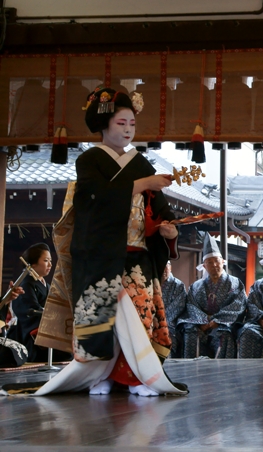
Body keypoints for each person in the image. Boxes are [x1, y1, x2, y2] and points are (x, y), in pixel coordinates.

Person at [3, 88, 187, 397]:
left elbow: (160, 210)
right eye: (121, 123)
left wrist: (169, 231)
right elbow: (92, 200)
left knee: (137, 320)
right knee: (104, 323)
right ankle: (97, 375)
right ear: (104, 125)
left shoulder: (141, 164)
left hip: (136, 257)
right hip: (100, 255)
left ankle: (135, 377)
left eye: (132, 124)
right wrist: (141, 184)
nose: (128, 129)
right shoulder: (90, 160)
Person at [179, 236, 246, 359]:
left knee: (225, 335)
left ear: (223, 262)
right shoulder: (196, 286)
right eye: (209, 262)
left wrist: (216, 321)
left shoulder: (235, 283)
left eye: (216, 261)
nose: (214, 264)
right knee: (190, 331)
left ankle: (220, 372)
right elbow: (191, 305)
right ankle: (191, 369)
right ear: (204, 266)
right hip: (201, 323)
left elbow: (238, 304)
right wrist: (203, 321)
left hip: (223, 324)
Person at [8, 243, 69, 363]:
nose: (50, 264)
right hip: (32, 336)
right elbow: (29, 311)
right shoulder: (26, 284)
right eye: (46, 260)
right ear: (33, 263)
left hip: (50, 329)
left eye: (50, 260)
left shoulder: (45, 285)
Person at [160, 261, 187, 358]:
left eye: (165, 267)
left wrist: (161, 322)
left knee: (165, 334)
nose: (163, 270)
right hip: (151, 321)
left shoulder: (178, 285)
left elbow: (178, 306)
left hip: (171, 323)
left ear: (170, 268)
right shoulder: (151, 283)